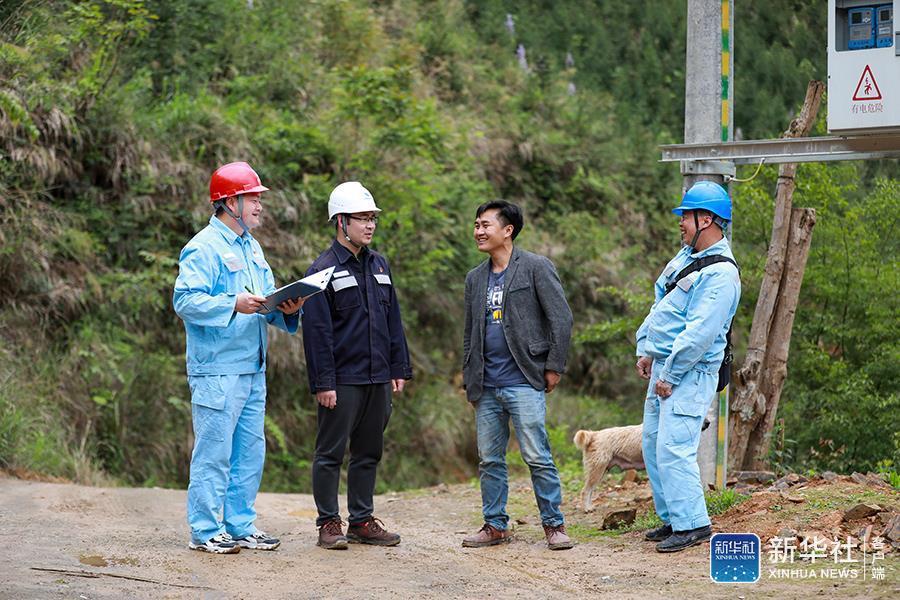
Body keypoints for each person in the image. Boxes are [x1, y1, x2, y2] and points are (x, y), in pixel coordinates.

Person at [174, 161, 303, 554]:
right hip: (217, 369)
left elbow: (263, 302)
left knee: (249, 453)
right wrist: (233, 303)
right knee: (214, 453)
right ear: (230, 202)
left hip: (252, 367)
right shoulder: (203, 247)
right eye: (253, 198)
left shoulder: (252, 247)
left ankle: (240, 525)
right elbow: (185, 301)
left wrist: (287, 308)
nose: (260, 205)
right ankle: (204, 530)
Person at [302, 181, 412, 550]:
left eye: (372, 218)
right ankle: (328, 523)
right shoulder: (322, 270)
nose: (370, 225)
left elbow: (393, 320)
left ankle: (361, 521)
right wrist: (324, 382)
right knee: (330, 453)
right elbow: (317, 333)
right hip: (342, 379)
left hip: (378, 376)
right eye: (362, 218)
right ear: (341, 221)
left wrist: (398, 368)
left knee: (368, 452)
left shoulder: (379, 263)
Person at [461, 200, 575, 551]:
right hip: (486, 384)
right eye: (476, 225)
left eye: (486, 225)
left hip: (524, 378)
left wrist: (554, 365)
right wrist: (469, 376)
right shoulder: (475, 278)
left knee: (537, 456)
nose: (479, 231)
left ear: (507, 230)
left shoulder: (536, 267)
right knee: (490, 459)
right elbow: (469, 332)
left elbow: (561, 318)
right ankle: (495, 525)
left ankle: (554, 524)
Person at [635, 181, 741, 553]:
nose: (680, 222)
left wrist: (670, 374)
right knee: (653, 445)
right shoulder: (686, 258)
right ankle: (673, 518)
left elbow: (700, 334)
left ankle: (693, 523)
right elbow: (661, 306)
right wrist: (646, 350)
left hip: (688, 373)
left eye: (686, 216)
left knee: (674, 448)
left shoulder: (721, 275)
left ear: (706, 219)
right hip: (666, 367)